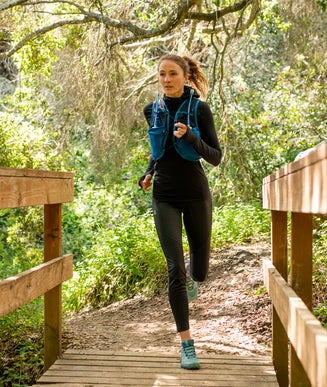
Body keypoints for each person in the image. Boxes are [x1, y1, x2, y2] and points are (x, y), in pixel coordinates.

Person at [138, 54, 222, 370]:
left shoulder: (200, 110)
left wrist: (190, 136)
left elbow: (216, 157)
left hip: (196, 195)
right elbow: (158, 150)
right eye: (162, 74)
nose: (167, 79)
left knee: (198, 271)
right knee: (175, 268)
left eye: (173, 73)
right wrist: (148, 172)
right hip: (164, 196)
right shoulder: (152, 111)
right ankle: (187, 344)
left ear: (185, 76)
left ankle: (193, 274)